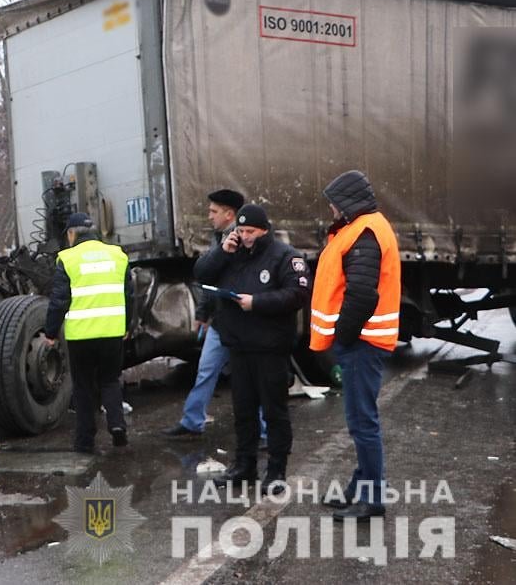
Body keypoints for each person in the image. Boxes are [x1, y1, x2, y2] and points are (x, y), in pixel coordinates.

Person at [193, 204, 310, 491]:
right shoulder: (232, 254)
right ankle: (244, 466)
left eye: (250, 232)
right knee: (243, 411)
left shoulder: (284, 256)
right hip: (239, 346)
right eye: (241, 231)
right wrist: (222, 250)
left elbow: (297, 293)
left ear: (265, 230)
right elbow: (202, 274)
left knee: (274, 411)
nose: (245, 236)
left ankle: (276, 471)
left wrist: (256, 303)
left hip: (270, 347)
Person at [310, 170, 401, 521]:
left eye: (333, 202)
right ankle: (359, 487)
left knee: (363, 422)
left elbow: (362, 294)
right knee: (361, 420)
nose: (331, 208)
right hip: (363, 341)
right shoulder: (362, 228)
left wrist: (344, 337)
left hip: (363, 343)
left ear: (347, 201)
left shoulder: (364, 232)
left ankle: (372, 500)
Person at [163, 189, 265, 441]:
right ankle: (192, 420)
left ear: (229, 214)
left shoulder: (245, 241)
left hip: (243, 323)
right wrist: (203, 313)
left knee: (253, 378)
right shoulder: (219, 238)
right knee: (206, 371)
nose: (209, 216)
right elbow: (207, 278)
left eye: (213, 211)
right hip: (221, 321)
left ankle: (265, 431)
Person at [43, 212, 132, 454]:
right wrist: (127, 326)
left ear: (72, 234)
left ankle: (85, 440)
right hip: (112, 331)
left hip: (81, 336)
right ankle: (117, 426)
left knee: (83, 387)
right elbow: (129, 296)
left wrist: (50, 333)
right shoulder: (117, 255)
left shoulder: (68, 258)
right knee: (110, 380)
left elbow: (59, 300)